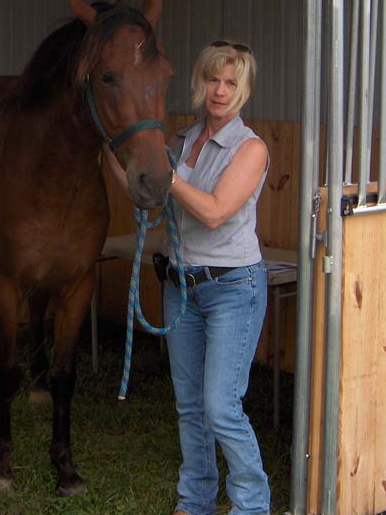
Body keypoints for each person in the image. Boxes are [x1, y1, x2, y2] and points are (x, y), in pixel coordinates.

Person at [105, 39, 271, 515]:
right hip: (181, 286)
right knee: (190, 406)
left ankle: (251, 504)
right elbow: (151, 197)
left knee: (221, 406)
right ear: (201, 83)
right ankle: (195, 499)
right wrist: (114, 154)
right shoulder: (178, 141)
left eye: (231, 83)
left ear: (243, 92)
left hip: (231, 289)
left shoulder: (250, 148)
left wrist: (168, 175)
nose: (220, 91)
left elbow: (216, 212)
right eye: (213, 80)